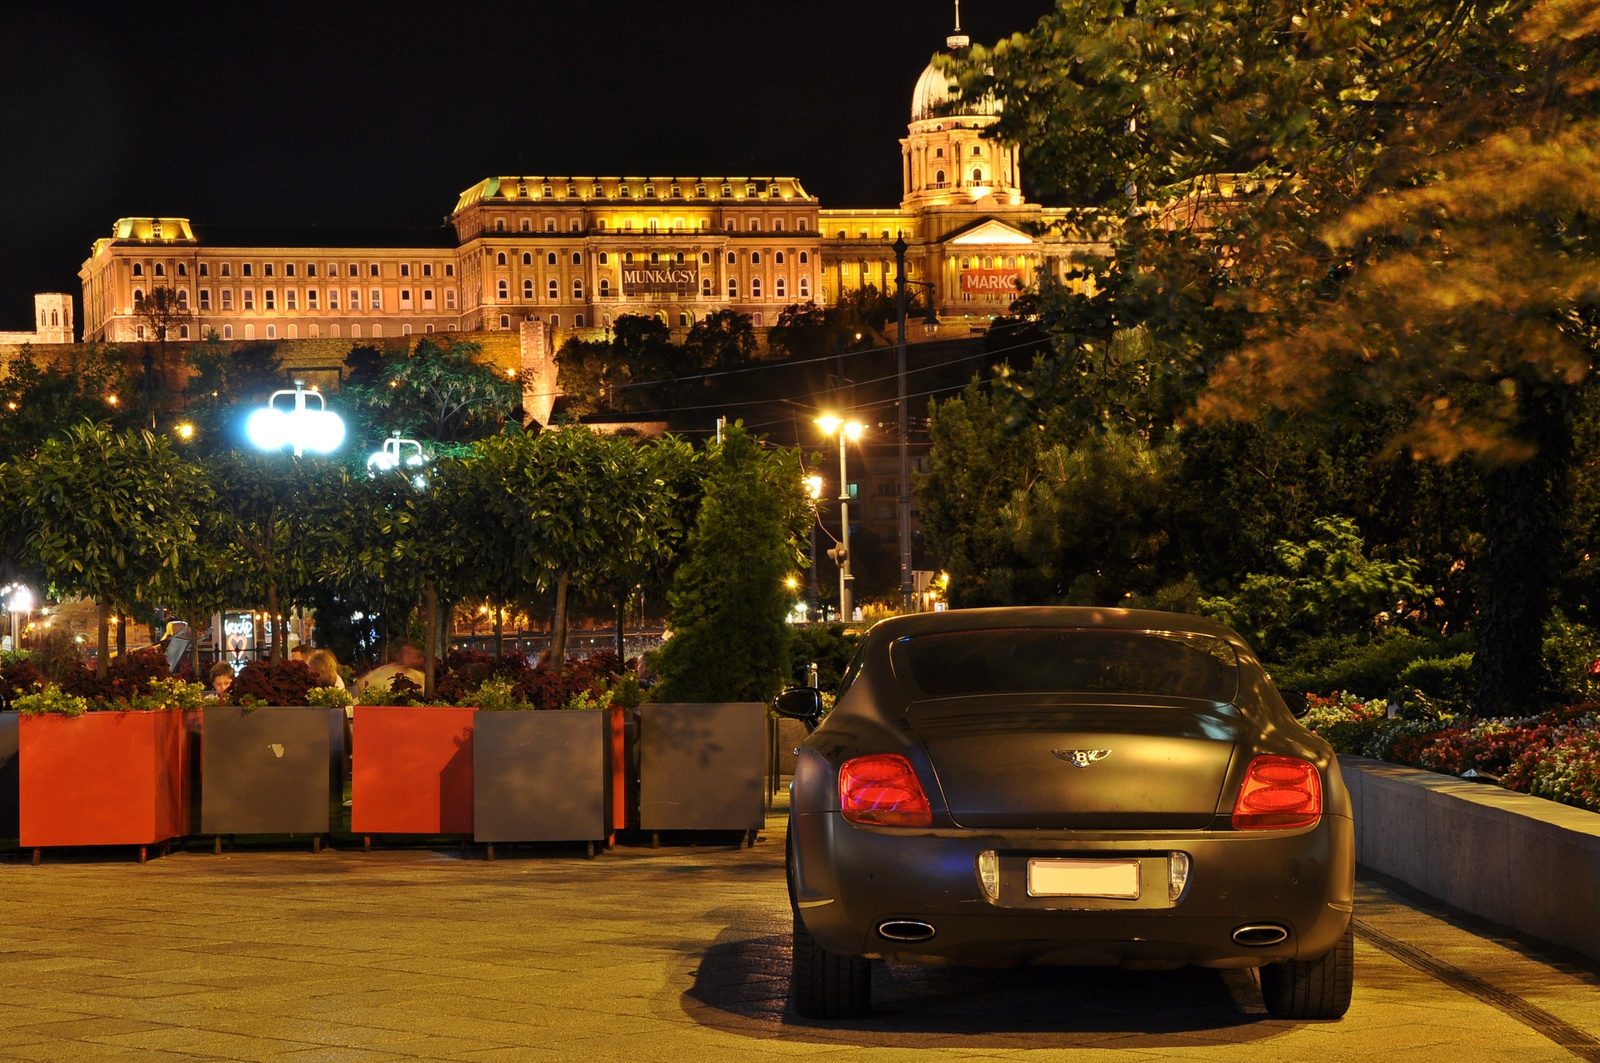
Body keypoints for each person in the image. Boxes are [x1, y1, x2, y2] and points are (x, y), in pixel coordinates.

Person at [355, 642, 424, 697]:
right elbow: (362, 685)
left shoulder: (419, 675)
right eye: (408, 653)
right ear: (398, 656)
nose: (411, 656)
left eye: (413, 653)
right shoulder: (384, 670)